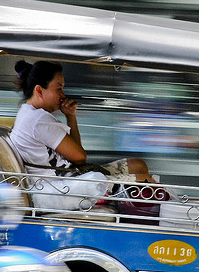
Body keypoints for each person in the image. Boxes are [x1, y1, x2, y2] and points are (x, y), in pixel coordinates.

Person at [10, 60, 153, 183]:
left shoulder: (28, 114)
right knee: (146, 181)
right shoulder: (39, 120)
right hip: (69, 184)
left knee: (137, 165)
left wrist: (70, 116)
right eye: (59, 89)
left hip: (75, 175)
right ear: (39, 91)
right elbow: (79, 157)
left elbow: (76, 154)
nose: (63, 95)